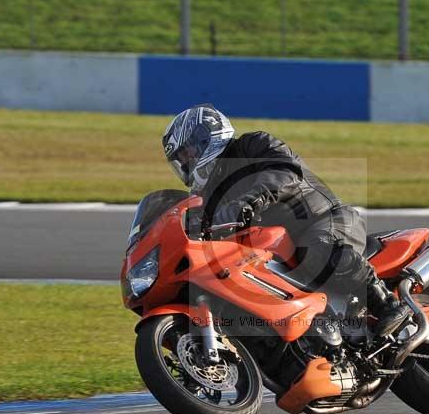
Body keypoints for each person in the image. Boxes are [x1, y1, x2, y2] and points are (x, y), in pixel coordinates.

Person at [162, 104, 409, 338]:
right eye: (180, 158)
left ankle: (385, 302)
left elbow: (284, 172)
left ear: (207, 136)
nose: (185, 161)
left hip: (323, 219)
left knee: (318, 249)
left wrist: (248, 201)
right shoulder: (207, 195)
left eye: (187, 151)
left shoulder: (253, 145)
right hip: (273, 250)